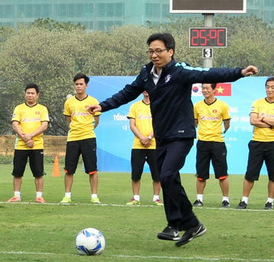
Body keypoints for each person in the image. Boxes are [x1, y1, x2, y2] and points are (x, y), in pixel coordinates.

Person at [87, 32, 257, 247]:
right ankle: (175, 226)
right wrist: (103, 106)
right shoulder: (146, 73)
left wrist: (240, 72)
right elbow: (127, 92)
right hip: (162, 136)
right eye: (151, 51)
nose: (154, 55)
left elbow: (210, 73)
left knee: (166, 175)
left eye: (159, 51)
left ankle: (190, 223)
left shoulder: (180, 71)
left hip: (181, 135)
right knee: (169, 178)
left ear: (170, 51)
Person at [238, 77, 274, 210]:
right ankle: (244, 201)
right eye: (267, 86)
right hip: (257, 142)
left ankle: (270, 201)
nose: (269, 89)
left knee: (273, 175)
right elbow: (253, 121)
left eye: (272, 87)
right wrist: (270, 123)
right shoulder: (258, 103)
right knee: (250, 174)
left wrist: (264, 118)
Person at [61, 73, 101, 204]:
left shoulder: (93, 101)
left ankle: (94, 196)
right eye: (76, 84)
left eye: (81, 84)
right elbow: (68, 120)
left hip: (88, 137)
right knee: (69, 169)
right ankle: (67, 195)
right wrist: (76, 128)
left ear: (86, 86)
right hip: (73, 138)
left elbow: (97, 120)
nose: (78, 86)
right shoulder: (69, 102)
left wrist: (87, 129)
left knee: (92, 169)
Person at [9, 83, 50, 203]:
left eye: (33, 93)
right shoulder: (19, 108)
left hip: (37, 145)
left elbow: (44, 125)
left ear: (37, 95)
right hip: (21, 145)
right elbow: (15, 124)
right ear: (24, 94)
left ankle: (39, 196)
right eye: (28, 93)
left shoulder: (42, 109)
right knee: (17, 172)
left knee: (38, 172)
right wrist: (25, 137)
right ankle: (16, 195)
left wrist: (31, 136)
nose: (30, 95)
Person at [193, 82, 232, 208]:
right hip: (202, 142)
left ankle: (225, 199)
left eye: (207, 88)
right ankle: (199, 199)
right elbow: (194, 122)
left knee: (222, 174)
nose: (205, 90)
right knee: (201, 174)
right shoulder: (197, 106)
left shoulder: (223, 106)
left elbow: (227, 124)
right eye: (203, 88)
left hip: (217, 143)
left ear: (214, 89)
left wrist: (219, 133)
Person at [126, 90, 162, 206]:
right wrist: (142, 138)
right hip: (138, 145)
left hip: (154, 145)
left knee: (157, 174)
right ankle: (136, 197)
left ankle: (156, 198)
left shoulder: (158, 104)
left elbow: (160, 124)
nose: (146, 91)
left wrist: (150, 137)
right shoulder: (135, 106)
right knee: (136, 173)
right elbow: (132, 125)